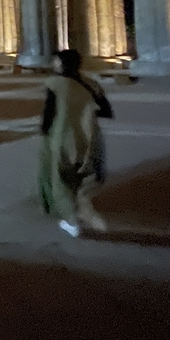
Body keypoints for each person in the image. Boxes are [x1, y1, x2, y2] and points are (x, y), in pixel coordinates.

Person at [39, 49, 112, 238]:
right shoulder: (90, 84)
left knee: (61, 179)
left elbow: (48, 114)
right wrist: (83, 112)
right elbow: (106, 110)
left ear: (61, 64)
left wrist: (45, 132)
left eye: (55, 61)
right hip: (88, 137)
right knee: (82, 175)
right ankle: (84, 210)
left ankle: (71, 220)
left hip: (63, 136)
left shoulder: (56, 84)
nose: (53, 64)